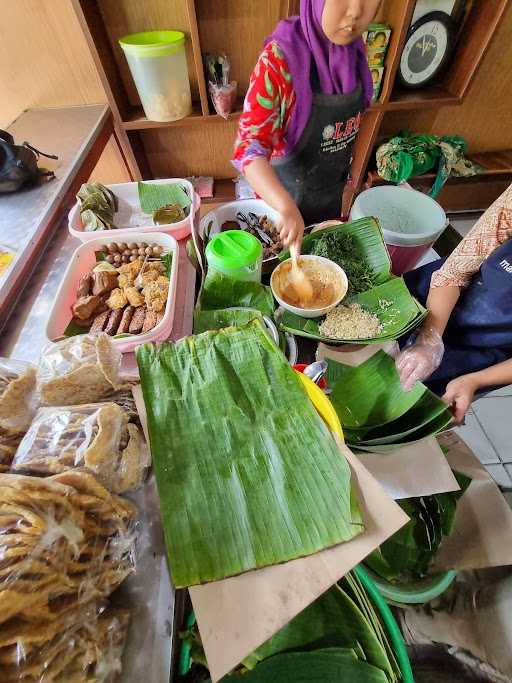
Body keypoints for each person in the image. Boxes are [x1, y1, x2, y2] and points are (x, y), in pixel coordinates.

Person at [232, 0, 379, 252]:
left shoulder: (354, 51)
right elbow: (248, 150)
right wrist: (286, 208)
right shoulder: (278, 62)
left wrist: (351, 175)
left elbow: (359, 116)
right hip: (279, 214)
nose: (355, 11)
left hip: (328, 200)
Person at [396, 183, 512, 421]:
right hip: (434, 301)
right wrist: (429, 338)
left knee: (404, 409)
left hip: (480, 355)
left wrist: (474, 381)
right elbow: (455, 272)